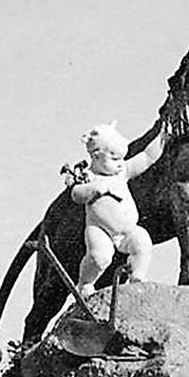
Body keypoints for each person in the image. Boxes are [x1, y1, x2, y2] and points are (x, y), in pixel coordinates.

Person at [71, 122, 165, 297]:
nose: (120, 163)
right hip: (100, 230)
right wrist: (93, 189)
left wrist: (164, 136)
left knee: (142, 242)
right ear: (96, 156)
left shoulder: (122, 172)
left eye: (122, 158)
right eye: (114, 159)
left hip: (128, 230)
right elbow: (76, 194)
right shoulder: (89, 177)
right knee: (99, 257)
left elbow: (147, 158)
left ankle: (137, 275)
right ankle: (85, 283)